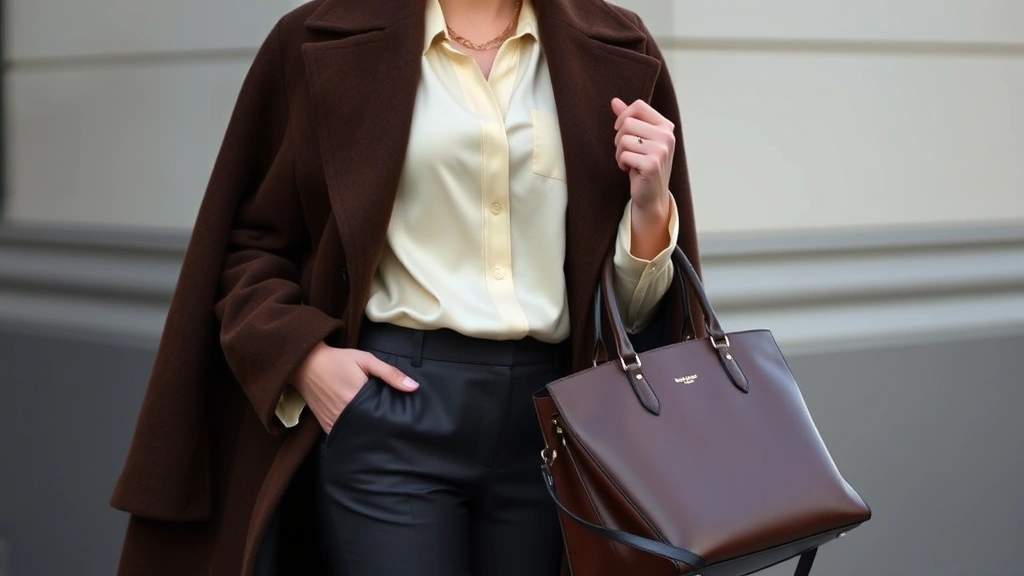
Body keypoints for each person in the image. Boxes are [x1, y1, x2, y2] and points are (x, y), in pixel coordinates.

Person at [110, 0, 705, 574]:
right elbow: (249, 241)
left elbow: (631, 315)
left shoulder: (617, 46)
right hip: (391, 410)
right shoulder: (314, 38)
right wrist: (306, 361)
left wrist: (652, 208)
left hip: (554, 423)